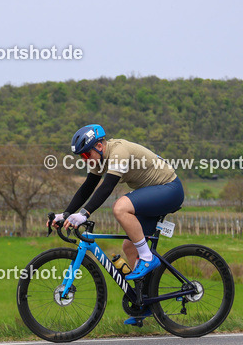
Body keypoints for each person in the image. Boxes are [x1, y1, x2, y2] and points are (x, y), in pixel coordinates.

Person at [52, 124, 185, 326]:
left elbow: (106, 187)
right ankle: (145, 302)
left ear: (99, 145)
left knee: (120, 207)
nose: (85, 160)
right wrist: (67, 213)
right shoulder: (99, 158)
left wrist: (84, 214)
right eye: (82, 158)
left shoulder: (119, 151)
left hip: (169, 189)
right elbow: (87, 188)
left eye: (86, 155)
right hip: (153, 193)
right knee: (130, 246)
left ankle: (148, 258)